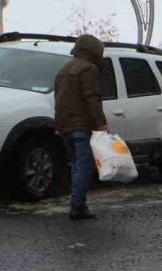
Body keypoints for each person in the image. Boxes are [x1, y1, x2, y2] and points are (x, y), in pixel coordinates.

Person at [53, 34, 108, 220]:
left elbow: (58, 100)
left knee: (76, 164)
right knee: (85, 165)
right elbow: (91, 98)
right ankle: (77, 206)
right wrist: (101, 122)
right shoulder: (89, 69)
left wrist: (58, 125)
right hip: (81, 125)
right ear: (94, 51)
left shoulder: (63, 70)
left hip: (64, 125)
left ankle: (79, 203)